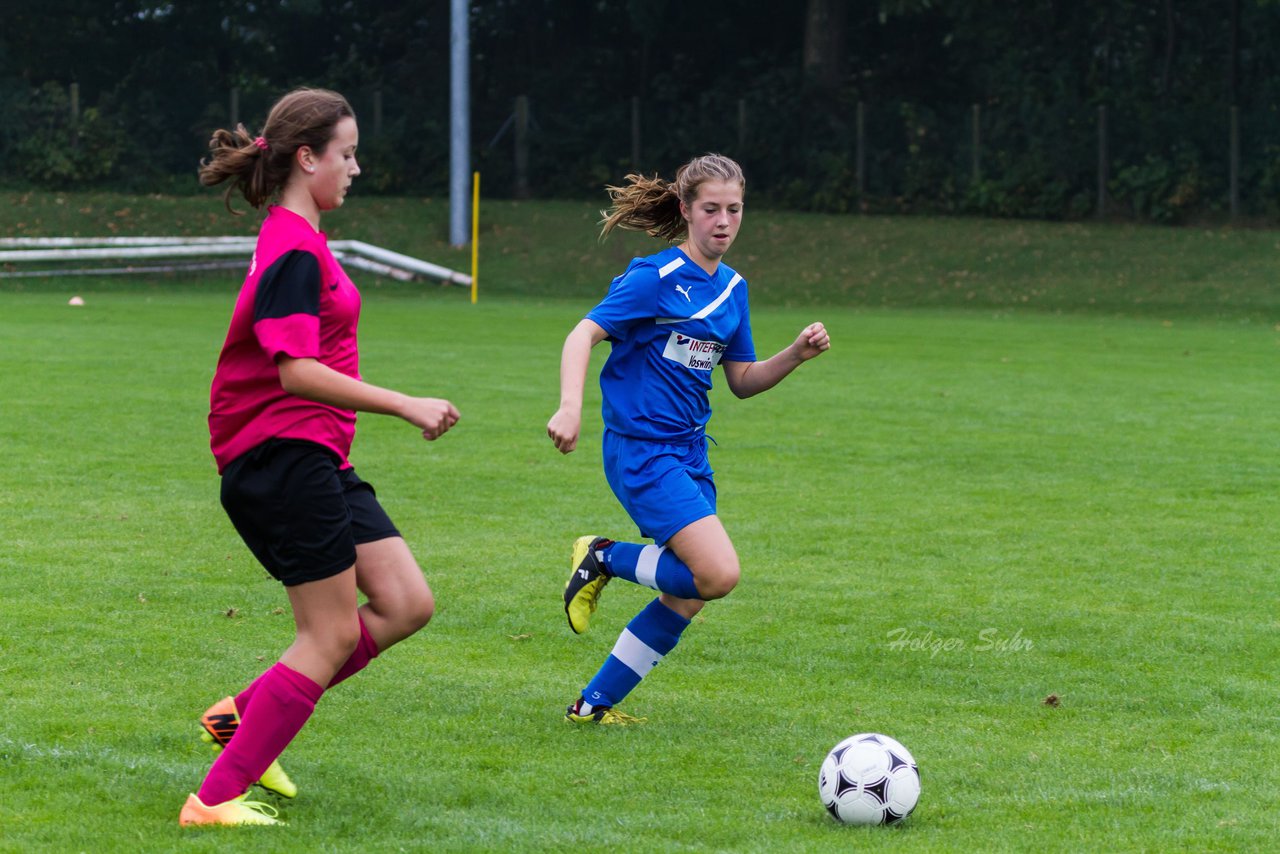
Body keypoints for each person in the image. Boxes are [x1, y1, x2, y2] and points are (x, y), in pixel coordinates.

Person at [180, 88, 460, 826]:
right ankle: (211, 800)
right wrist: (404, 402)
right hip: (278, 455)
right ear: (308, 159)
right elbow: (293, 370)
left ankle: (245, 715)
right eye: (347, 153)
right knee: (330, 633)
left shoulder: (301, 238)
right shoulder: (292, 249)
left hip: (314, 454)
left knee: (405, 603)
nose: (356, 168)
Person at [547, 153, 830, 724]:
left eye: (734, 209)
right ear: (686, 210)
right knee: (718, 574)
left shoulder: (733, 290)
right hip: (642, 452)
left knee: (691, 592)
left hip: (691, 455)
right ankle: (603, 556)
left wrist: (795, 355)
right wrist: (570, 408)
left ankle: (591, 706)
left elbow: (743, 381)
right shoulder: (654, 280)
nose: (723, 221)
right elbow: (582, 335)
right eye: (710, 209)